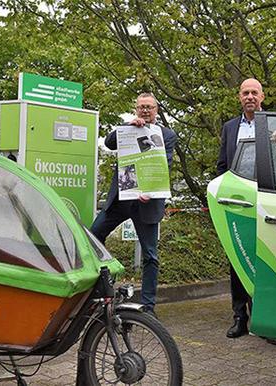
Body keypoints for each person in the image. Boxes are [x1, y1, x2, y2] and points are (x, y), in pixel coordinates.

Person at [90, 92, 177, 317]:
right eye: (141, 107)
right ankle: (104, 287)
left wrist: (149, 190)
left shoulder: (167, 135)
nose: (145, 111)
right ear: (136, 109)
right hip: (121, 199)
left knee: (150, 255)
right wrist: (127, 127)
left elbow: (163, 164)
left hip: (146, 202)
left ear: (157, 110)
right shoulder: (126, 130)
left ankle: (148, 307)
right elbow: (108, 143)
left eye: (149, 107)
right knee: (93, 235)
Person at [216, 78, 276, 345]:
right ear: (239, 97)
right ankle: (239, 318)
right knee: (237, 260)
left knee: (266, 261)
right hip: (238, 204)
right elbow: (222, 165)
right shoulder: (230, 128)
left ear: (262, 96)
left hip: (267, 202)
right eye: (246, 93)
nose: (250, 97)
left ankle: (265, 320)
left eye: (255, 92)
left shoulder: (274, 125)